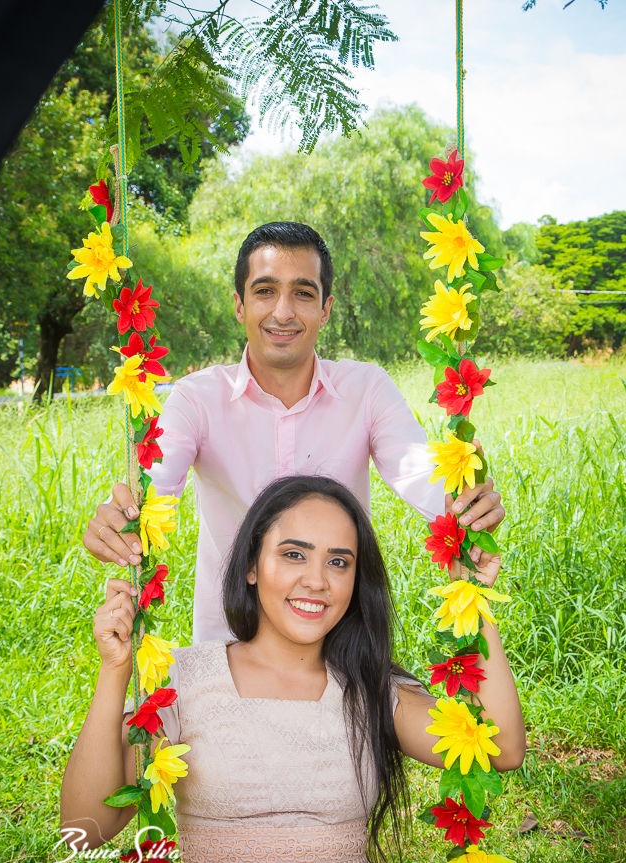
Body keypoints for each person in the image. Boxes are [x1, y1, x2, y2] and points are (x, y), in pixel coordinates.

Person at [62, 476, 525, 863]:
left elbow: (502, 749)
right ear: (251, 566)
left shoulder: (370, 688)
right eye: (294, 554)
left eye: (338, 562)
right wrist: (115, 670)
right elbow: (83, 830)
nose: (317, 581)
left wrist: (475, 598)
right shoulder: (183, 681)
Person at [83, 222, 505, 644]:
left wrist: (464, 502)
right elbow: (154, 487)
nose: (283, 312)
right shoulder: (197, 399)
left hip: (339, 643)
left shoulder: (366, 389)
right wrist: (120, 521)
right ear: (239, 305)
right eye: (265, 291)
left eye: (303, 293)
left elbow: (419, 472)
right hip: (230, 644)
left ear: (325, 309)